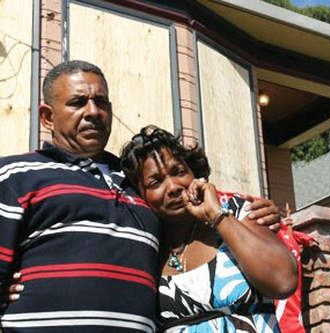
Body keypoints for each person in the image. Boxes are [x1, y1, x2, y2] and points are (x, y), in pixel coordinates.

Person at [0, 60, 282, 332]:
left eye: (102, 102)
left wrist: (253, 212)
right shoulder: (15, 175)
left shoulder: (137, 184)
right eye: (77, 103)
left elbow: (189, 199)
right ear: (48, 116)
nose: (93, 111)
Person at [119, 125, 298, 332]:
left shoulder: (236, 213)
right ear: (140, 195)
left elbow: (283, 282)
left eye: (179, 172)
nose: (173, 187)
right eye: (156, 182)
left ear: (195, 172)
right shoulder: (146, 247)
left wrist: (217, 217)